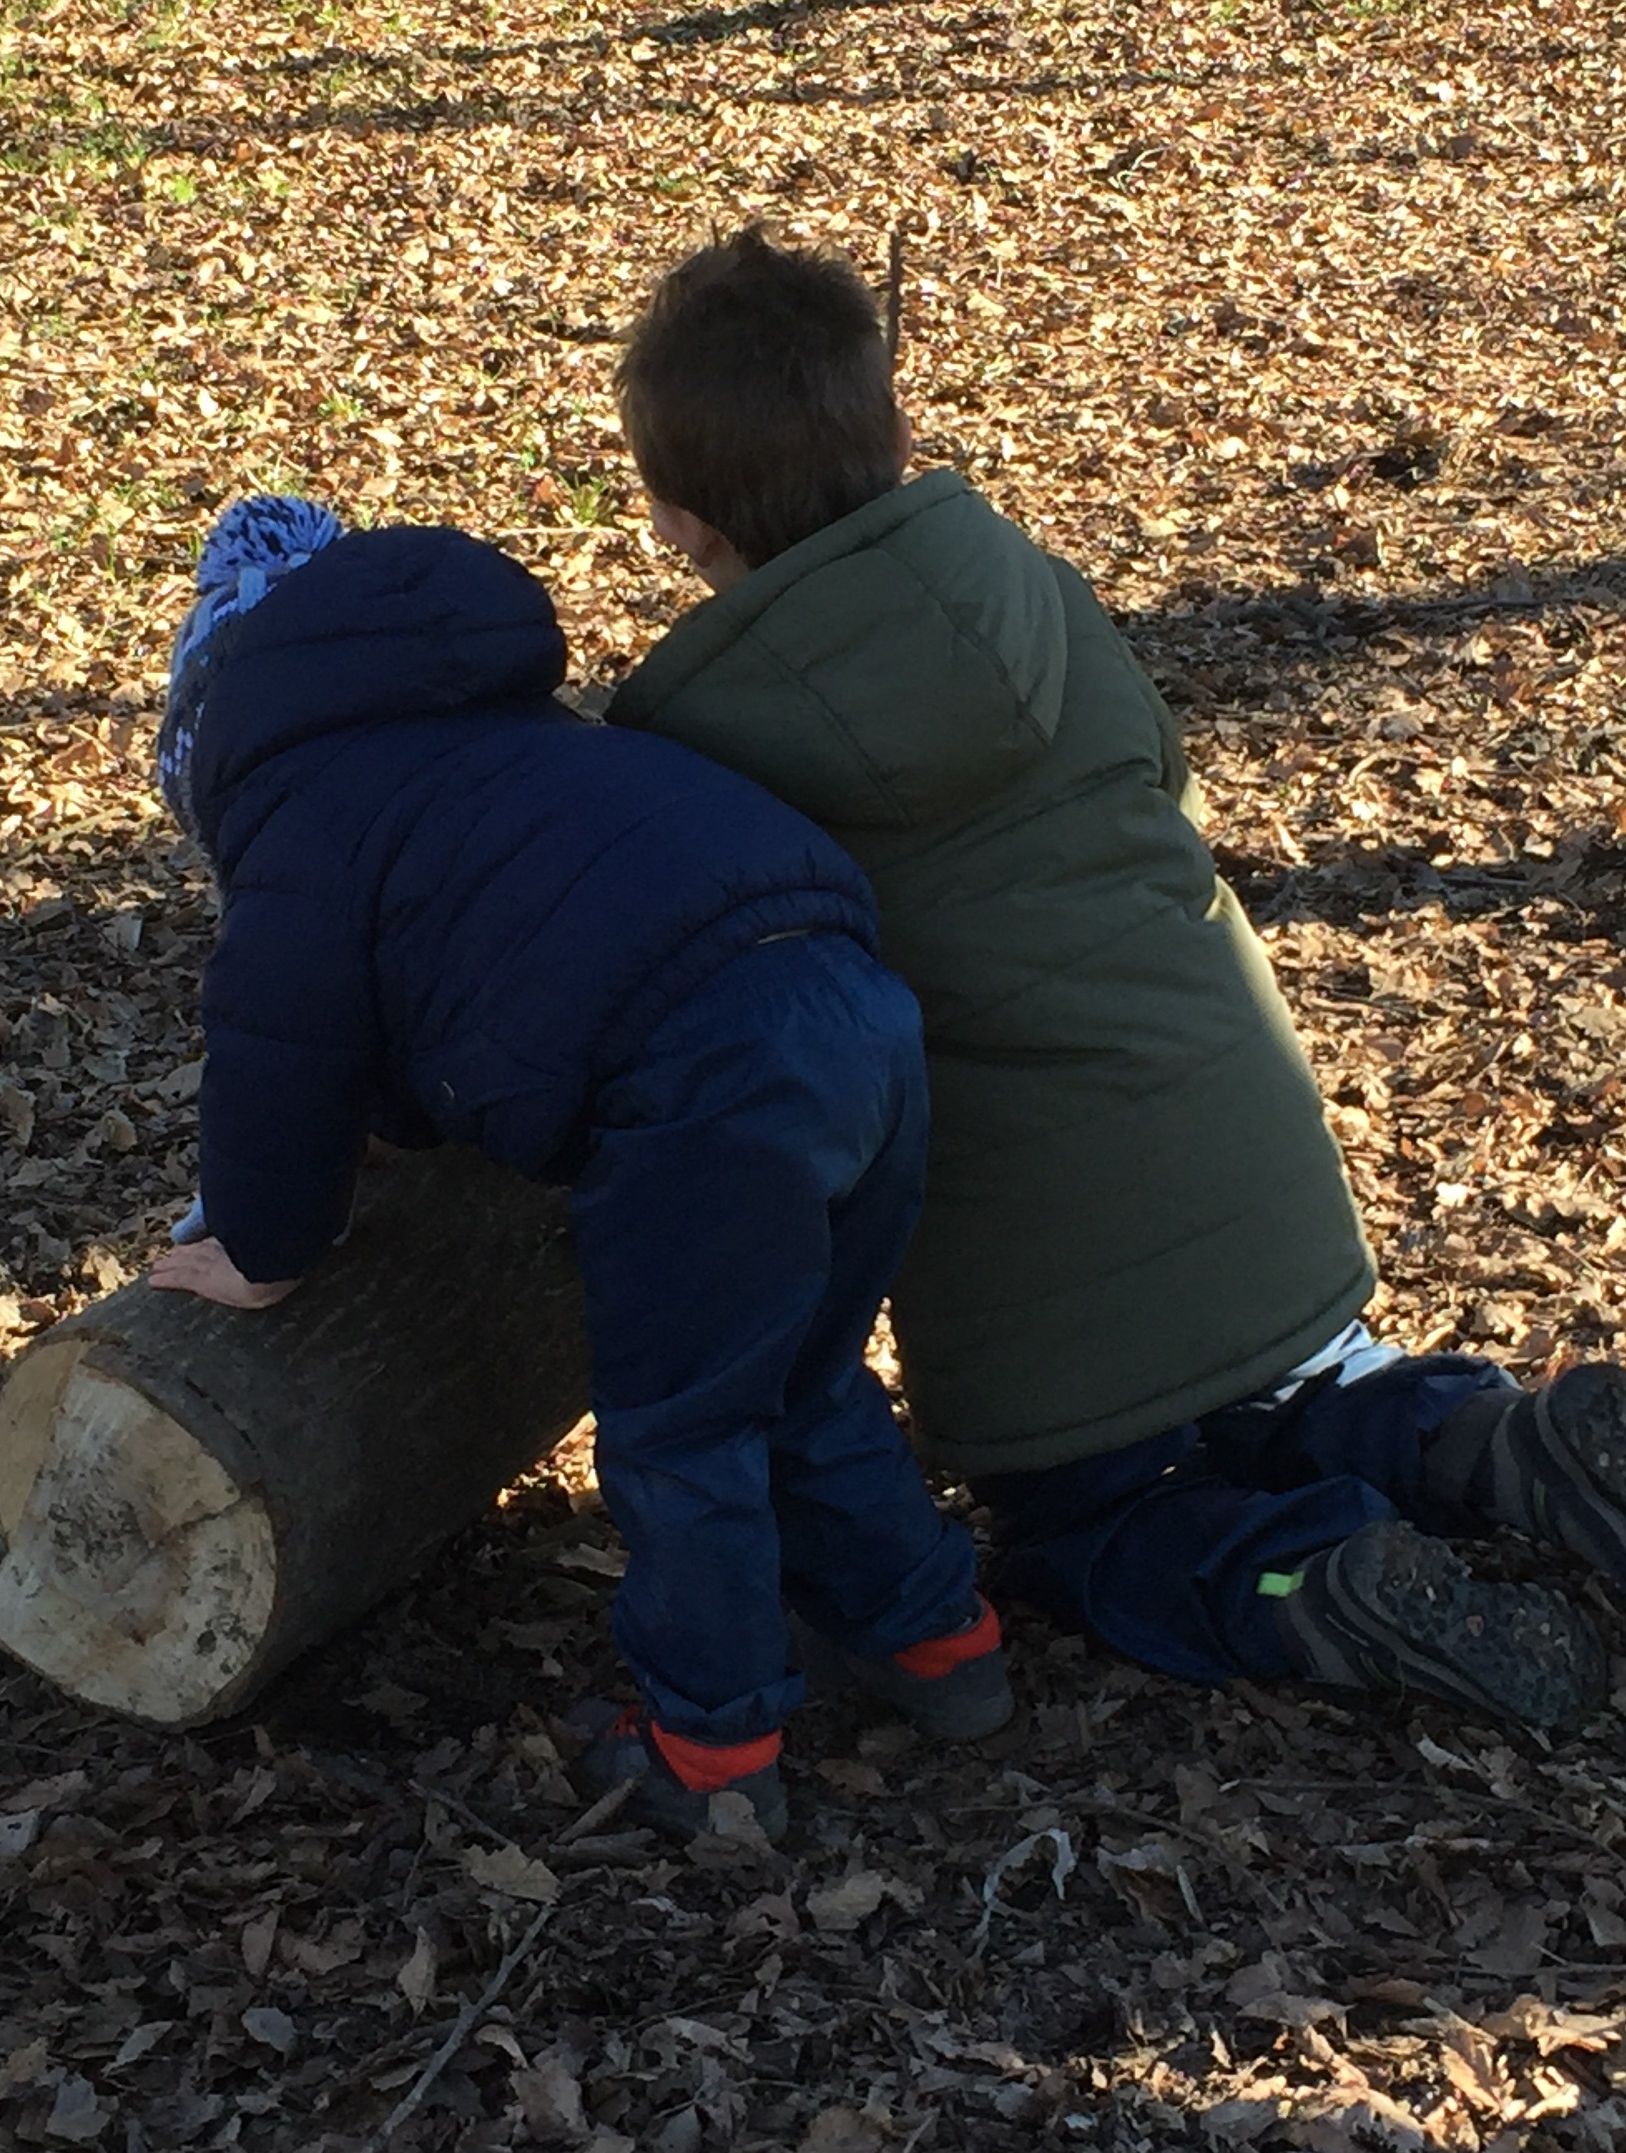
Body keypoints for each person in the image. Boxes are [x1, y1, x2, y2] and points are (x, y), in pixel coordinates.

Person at [602, 228, 1626, 1734]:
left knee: (1095, 1528)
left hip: (1036, 1285)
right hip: (1258, 1165)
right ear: (896, 432)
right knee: (1299, 1395)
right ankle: (1486, 1443)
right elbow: (1162, 787)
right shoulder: (1037, 595)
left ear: (674, 517)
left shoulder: (695, 745)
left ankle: (1311, 1579)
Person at [144, 493, 1013, 1839]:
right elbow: (472, 954)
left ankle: (713, 1748)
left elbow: (281, 1038)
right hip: (856, 1001)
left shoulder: (298, 803)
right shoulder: (492, 734)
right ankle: (938, 1641)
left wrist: (260, 1243)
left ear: (212, 731)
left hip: (703, 1072)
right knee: (802, 1371)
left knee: (682, 1422)